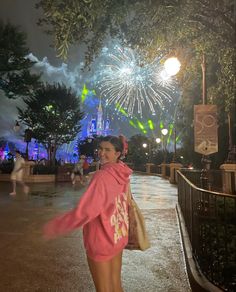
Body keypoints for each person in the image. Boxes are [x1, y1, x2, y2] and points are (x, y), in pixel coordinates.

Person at [43, 136, 132, 292]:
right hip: (117, 235)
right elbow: (128, 202)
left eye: (107, 150)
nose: (101, 153)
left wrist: (55, 227)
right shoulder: (123, 172)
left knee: (103, 289)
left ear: (118, 153)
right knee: (116, 286)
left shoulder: (102, 176)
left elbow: (86, 211)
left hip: (101, 238)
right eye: (100, 149)